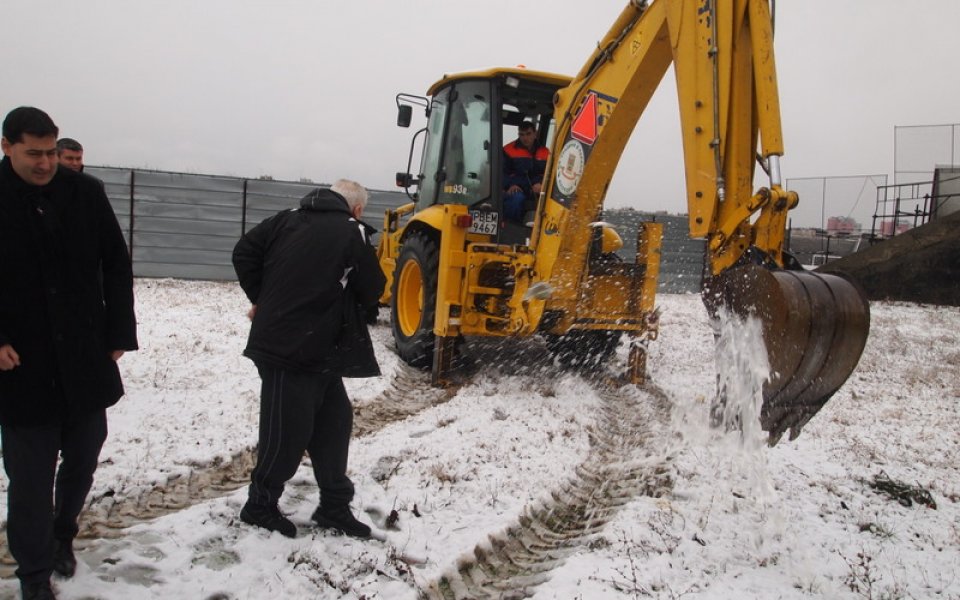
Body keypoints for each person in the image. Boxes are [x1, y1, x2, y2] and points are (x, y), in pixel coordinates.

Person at [0, 107, 138, 600]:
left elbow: (116, 266)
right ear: (6, 147)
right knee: (31, 480)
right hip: (22, 365)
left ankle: (63, 537)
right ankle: (34, 578)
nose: (44, 163)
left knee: (82, 459)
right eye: (33, 153)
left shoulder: (85, 194)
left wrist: (118, 333)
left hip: (84, 356)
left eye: (50, 152)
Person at [232, 179, 386, 539]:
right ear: (357, 210)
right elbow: (372, 287)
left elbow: (244, 252)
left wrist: (263, 296)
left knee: (335, 424)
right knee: (286, 433)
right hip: (290, 350)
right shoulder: (352, 232)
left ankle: (334, 506)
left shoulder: (284, 219)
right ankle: (259, 506)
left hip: (317, 349)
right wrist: (272, 302)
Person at [502, 120, 549, 224]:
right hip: (516, 188)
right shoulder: (508, 150)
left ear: (535, 133)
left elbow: (549, 173)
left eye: (528, 134)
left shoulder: (545, 152)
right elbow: (501, 173)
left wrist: (541, 184)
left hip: (536, 190)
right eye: (521, 134)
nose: (525, 138)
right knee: (516, 199)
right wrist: (511, 185)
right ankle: (510, 227)